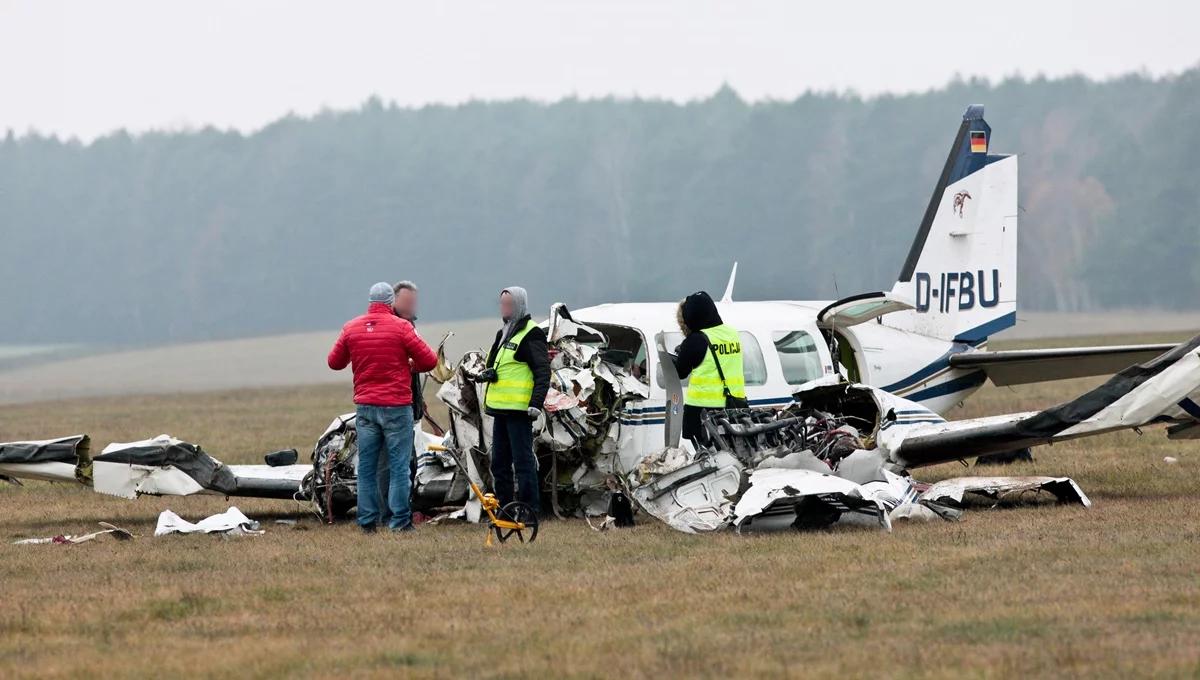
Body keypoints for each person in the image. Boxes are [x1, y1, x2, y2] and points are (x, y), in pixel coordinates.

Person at [328, 282, 437, 533]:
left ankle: (367, 522)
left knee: (366, 468)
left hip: (365, 407)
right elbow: (429, 360)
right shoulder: (402, 327)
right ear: (391, 303)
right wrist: (410, 365)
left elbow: (335, 362)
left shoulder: (351, 327)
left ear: (370, 301)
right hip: (397, 407)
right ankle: (399, 521)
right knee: (399, 468)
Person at [481, 287, 550, 516]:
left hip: (520, 411)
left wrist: (536, 404)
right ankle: (505, 510)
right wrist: (488, 373)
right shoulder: (503, 333)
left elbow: (542, 371)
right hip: (500, 411)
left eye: (509, 304)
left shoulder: (532, 333)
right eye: (502, 304)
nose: (505, 309)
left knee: (523, 463)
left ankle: (530, 511)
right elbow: (495, 364)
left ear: (520, 305)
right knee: (499, 464)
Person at [671, 290, 746, 444]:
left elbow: (680, 372)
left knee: (708, 456)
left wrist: (678, 355)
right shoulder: (733, 333)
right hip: (735, 405)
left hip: (703, 412)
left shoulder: (696, 340)